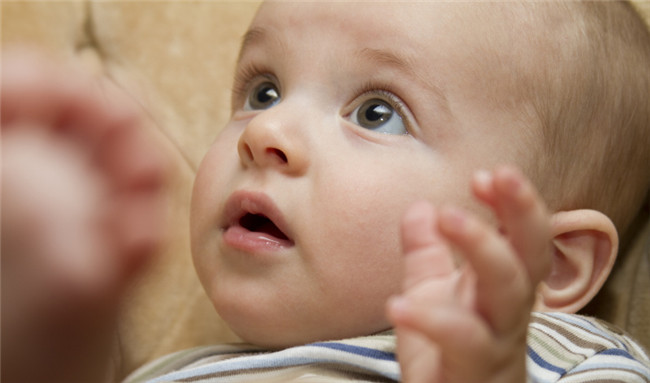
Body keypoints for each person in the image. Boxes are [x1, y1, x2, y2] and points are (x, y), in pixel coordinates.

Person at [2, 1, 650, 382]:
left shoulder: (557, 356)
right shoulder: (172, 368)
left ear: (546, 262)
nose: (266, 130)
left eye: (376, 113)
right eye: (263, 90)